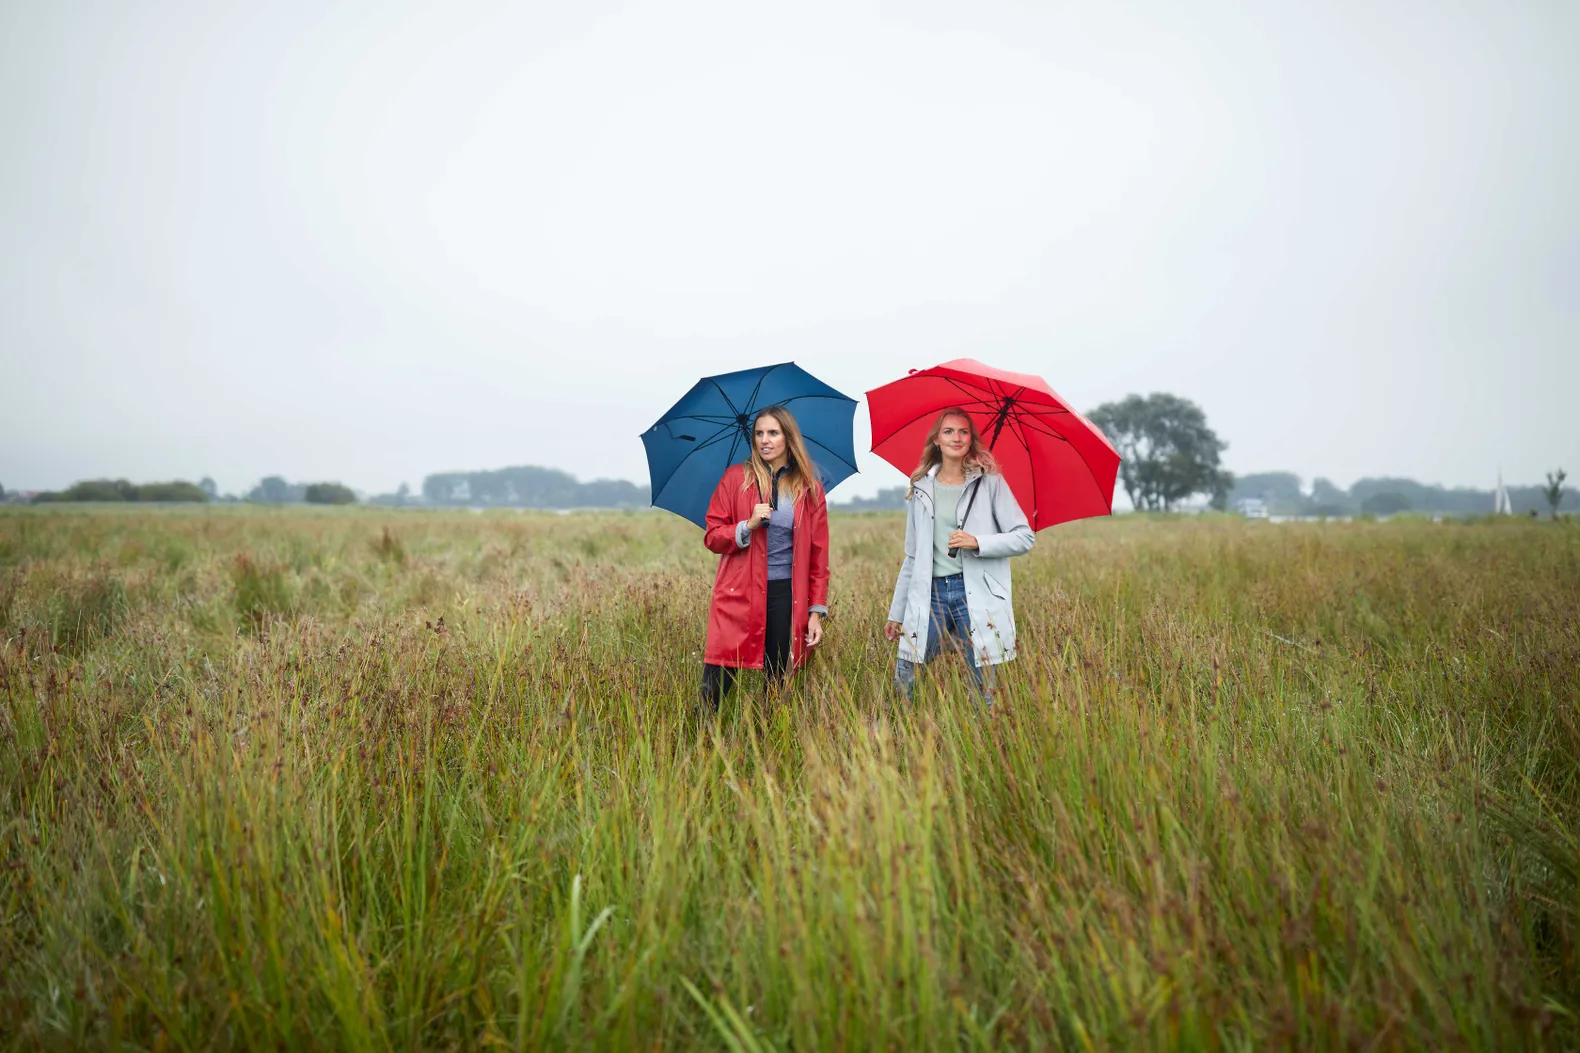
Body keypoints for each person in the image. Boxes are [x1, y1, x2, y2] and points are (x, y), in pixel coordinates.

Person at [884, 408, 1034, 701]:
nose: (957, 437)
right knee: (907, 670)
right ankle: (898, 738)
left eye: (964, 432)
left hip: (974, 592)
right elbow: (912, 556)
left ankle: (985, 740)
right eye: (949, 431)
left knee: (981, 680)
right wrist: (896, 613)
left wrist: (977, 541)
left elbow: (1024, 538)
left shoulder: (989, 483)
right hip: (932, 595)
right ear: (936, 440)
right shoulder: (920, 488)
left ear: (971, 439)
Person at [700, 406, 830, 712]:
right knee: (715, 686)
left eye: (773, 433)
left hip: (786, 596)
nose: (764, 440)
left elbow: (818, 556)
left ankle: (769, 748)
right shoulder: (735, 479)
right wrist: (747, 526)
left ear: (788, 438)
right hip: (739, 594)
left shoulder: (809, 488)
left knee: (778, 683)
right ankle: (699, 744)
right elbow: (712, 536)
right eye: (759, 433)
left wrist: (815, 612)